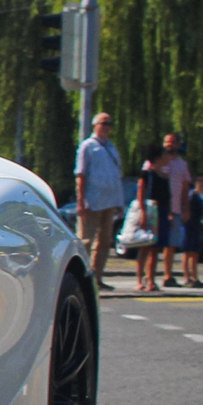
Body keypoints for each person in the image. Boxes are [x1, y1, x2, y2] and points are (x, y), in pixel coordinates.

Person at [73, 112, 125, 290]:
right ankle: (81, 277)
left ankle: (97, 277)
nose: (106, 127)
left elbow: (116, 174)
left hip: (109, 202)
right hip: (92, 201)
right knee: (86, 240)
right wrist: (81, 201)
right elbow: (80, 174)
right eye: (103, 123)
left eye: (109, 124)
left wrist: (120, 202)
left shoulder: (111, 147)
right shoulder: (88, 146)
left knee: (104, 241)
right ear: (95, 125)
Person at [129, 145, 169, 294]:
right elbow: (141, 192)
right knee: (145, 246)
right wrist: (143, 212)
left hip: (162, 211)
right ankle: (140, 280)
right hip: (150, 210)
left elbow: (167, 197)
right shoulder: (147, 174)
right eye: (164, 155)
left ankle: (151, 279)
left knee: (155, 248)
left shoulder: (164, 175)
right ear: (158, 158)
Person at [157, 132, 194, 286]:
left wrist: (186, 208)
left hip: (176, 209)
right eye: (167, 142)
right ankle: (147, 277)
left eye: (172, 142)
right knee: (151, 246)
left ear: (178, 145)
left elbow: (185, 188)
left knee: (171, 244)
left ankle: (168, 275)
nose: (169, 145)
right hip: (158, 209)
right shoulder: (156, 162)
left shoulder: (182, 164)